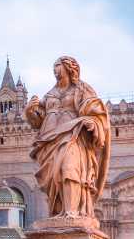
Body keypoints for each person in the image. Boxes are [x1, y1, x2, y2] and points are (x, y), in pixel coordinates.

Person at [24, 55, 111, 219]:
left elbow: (98, 112)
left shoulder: (82, 89)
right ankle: (59, 212)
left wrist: (93, 123)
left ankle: (72, 212)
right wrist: (29, 111)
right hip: (48, 141)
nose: (55, 70)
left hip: (73, 136)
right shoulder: (49, 94)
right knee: (53, 178)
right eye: (54, 67)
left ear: (70, 68)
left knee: (69, 168)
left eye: (58, 66)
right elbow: (37, 121)